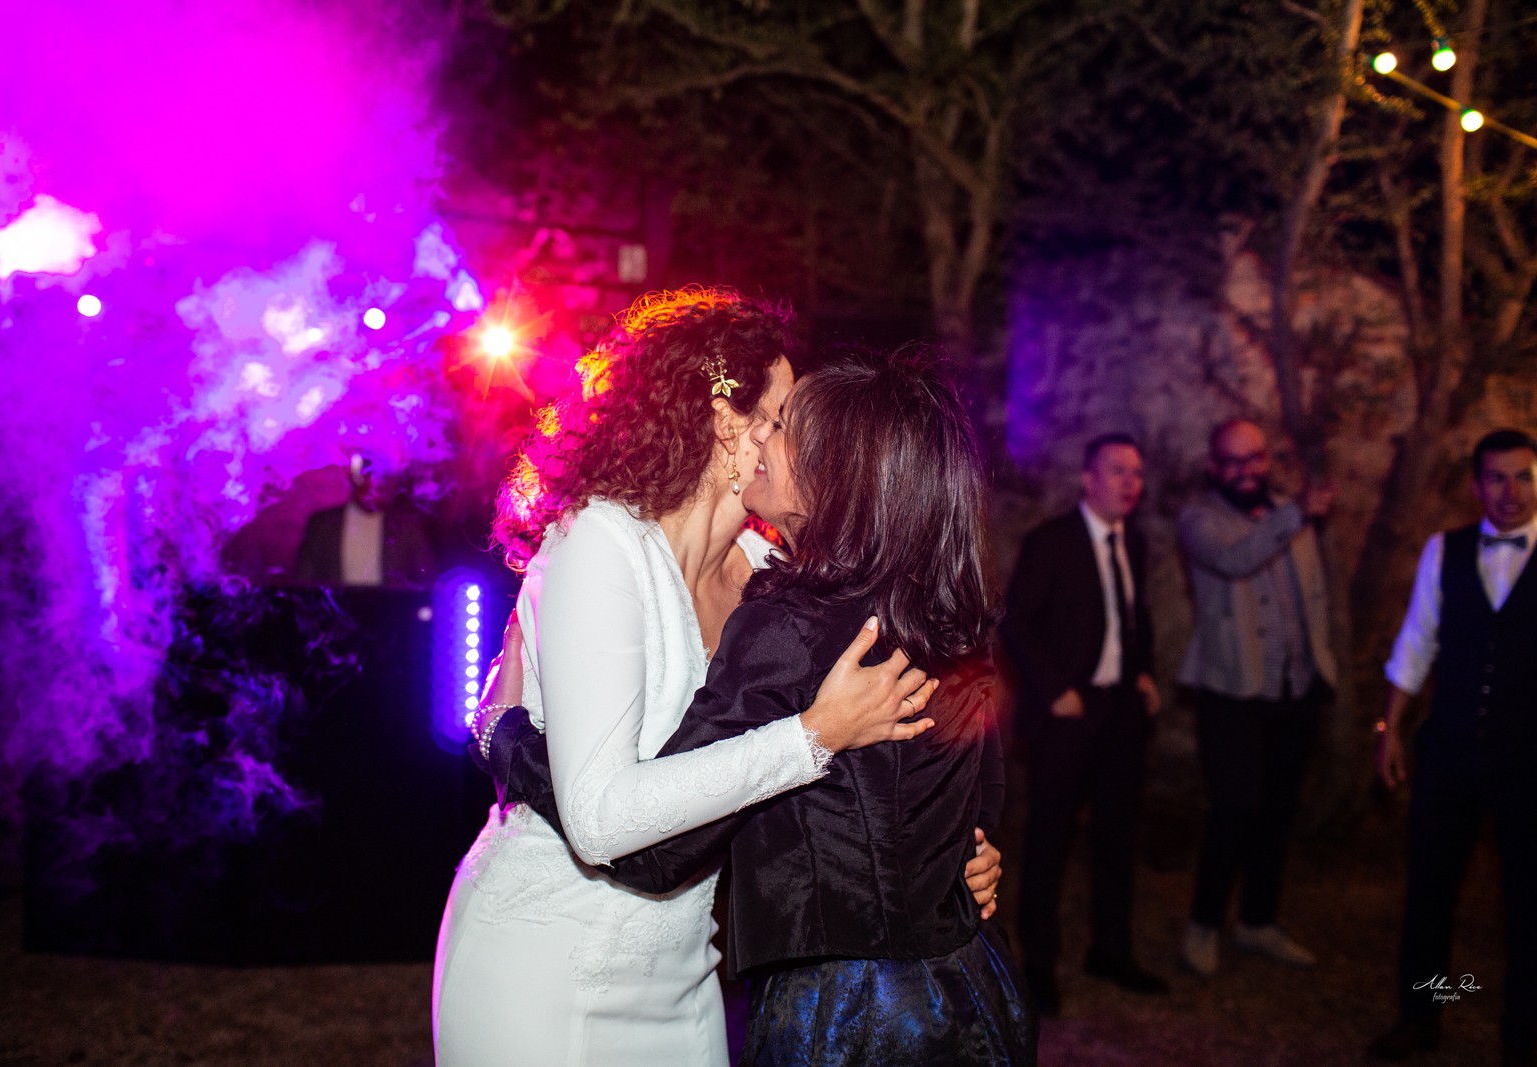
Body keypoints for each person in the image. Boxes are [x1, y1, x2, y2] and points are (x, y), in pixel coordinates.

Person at [431, 290, 994, 1067]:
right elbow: (603, 820)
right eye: (784, 415)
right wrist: (812, 737)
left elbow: (882, 767)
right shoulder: (602, 543)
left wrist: (949, 860)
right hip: (550, 958)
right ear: (727, 421)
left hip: (689, 972)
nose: (797, 438)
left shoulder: (774, 571)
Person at [1368, 429, 1537, 1067]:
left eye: (1524, 476)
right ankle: (1423, 1013)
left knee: (1527, 904)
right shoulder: (1445, 551)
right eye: (1497, 477)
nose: (1511, 491)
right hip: (1451, 751)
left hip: (1528, 762)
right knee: (1430, 893)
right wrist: (1388, 730)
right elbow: (1416, 643)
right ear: (1476, 486)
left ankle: (1522, 1033)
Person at [1002, 432, 1166, 1017]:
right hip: (1067, 717)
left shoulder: (1133, 543)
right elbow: (1015, 624)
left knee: (1117, 836)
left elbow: (1130, 618)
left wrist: (1141, 672)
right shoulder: (1052, 541)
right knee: (1049, 839)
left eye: (1137, 473)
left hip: (1120, 713)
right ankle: (1039, 965)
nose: (1130, 483)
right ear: (1088, 479)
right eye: (1118, 470)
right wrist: (1055, 690)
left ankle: (1111, 951)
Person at [1176, 419, 1337, 976]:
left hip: (1295, 689)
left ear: (1267, 460)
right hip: (1233, 692)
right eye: (1233, 460)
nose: (1246, 470)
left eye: (1255, 458)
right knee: (1236, 809)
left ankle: (1258, 921)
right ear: (1215, 467)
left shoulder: (1292, 515)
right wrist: (1297, 515)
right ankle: (1203, 924)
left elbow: (1312, 596)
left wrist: (1322, 664)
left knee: (1278, 812)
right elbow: (1235, 561)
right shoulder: (1200, 520)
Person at [294, 452, 435, 588]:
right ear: (353, 478)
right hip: (336, 605)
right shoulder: (322, 525)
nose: (372, 494)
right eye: (366, 484)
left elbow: (427, 582)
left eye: (379, 486)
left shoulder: (407, 527)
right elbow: (304, 583)